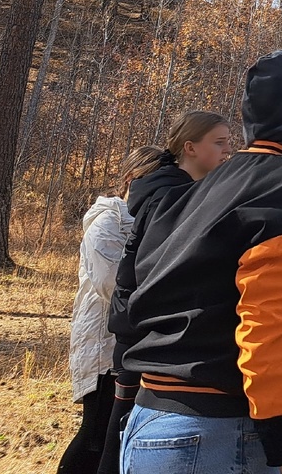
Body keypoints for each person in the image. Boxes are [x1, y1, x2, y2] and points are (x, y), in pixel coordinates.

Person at [120, 50, 282, 474]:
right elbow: (268, 327)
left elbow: (140, 290)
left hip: (149, 423)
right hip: (220, 434)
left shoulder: (202, 188)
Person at [99, 111, 233, 474]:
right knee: (115, 446)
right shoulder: (172, 199)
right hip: (148, 343)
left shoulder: (173, 192)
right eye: (219, 143)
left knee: (117, 441)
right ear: (190, 147)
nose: (228, 151)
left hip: (147, 339)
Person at [56, 145, 166, 474]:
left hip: (133, 344)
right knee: (95, 434)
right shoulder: (108, 221)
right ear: (133, 179)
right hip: (104, 345)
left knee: (116, 437)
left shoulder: (154, 220)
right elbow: (112, 285)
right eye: (154, 180)